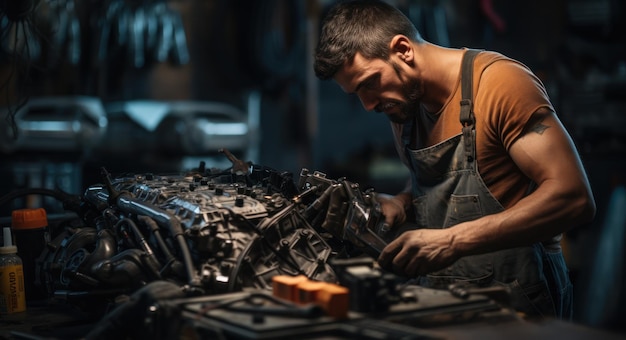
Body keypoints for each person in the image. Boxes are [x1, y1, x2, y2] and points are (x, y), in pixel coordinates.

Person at [314, 0, 596, 320]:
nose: (367, 104)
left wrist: (451, 241)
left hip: (519, 301)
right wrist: (403, 202)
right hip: (442, 299)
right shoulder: (404, 107)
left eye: (369, 83)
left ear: (403, 49)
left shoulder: (498, 84)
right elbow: (440, 181)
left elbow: (573, 197)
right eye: (357, 93)